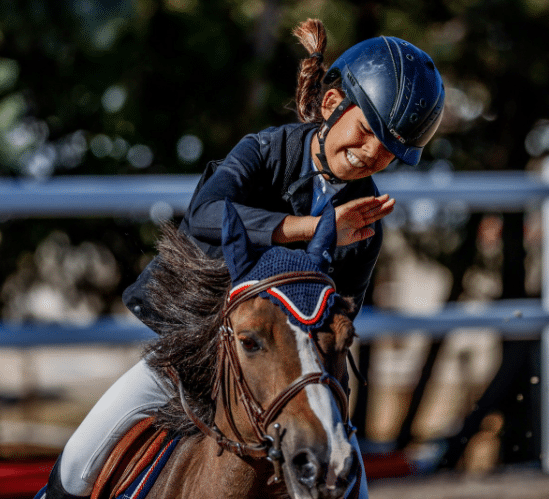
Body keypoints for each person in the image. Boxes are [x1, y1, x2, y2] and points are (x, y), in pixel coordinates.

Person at [44, 18, 444, 498]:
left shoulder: (365, 224)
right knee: (74, 469)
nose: (370, 154)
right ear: (334, 104)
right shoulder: (264, 150)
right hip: (194, 358)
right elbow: (207, 214)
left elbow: (339, 325)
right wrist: (315, 231)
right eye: (365, 132)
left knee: (350, 485)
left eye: (390, 151)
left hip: (291, 384)